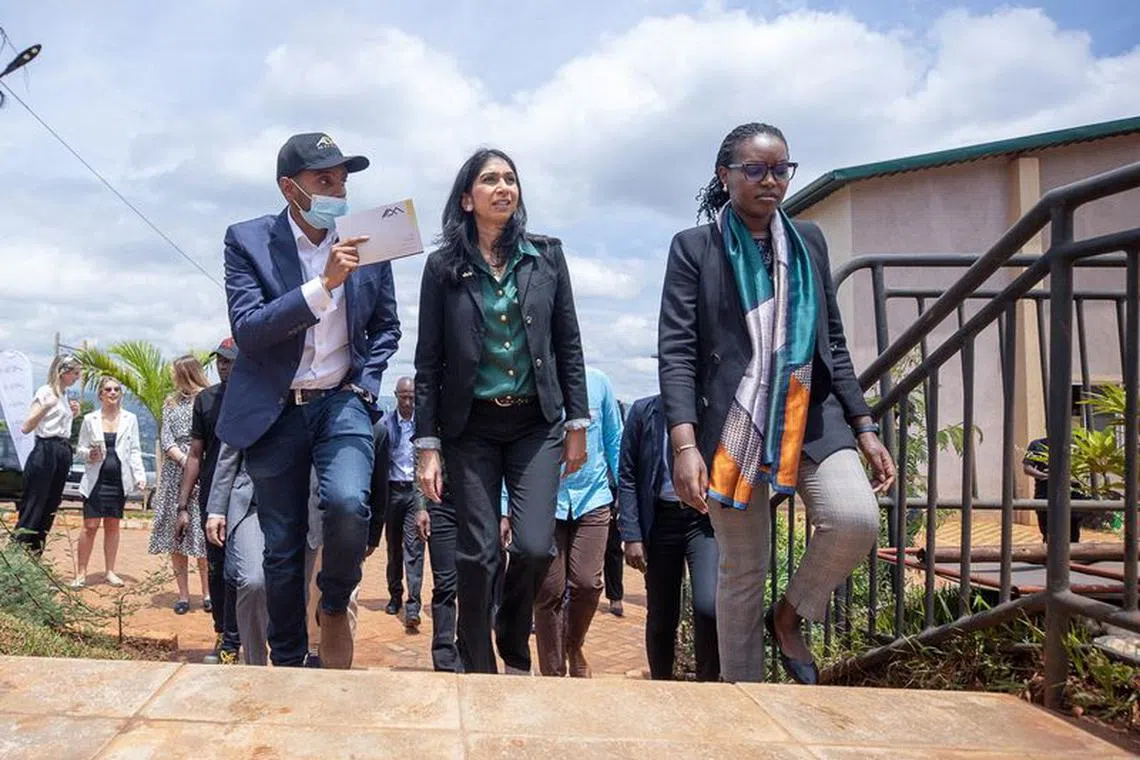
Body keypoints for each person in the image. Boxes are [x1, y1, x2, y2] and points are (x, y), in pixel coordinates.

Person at [658, 122, 895, 684]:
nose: (771, 181)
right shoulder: (695, 248)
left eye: (781, 170)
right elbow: (677, 351)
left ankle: (789, 615)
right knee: (743, 570)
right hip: (730, 428)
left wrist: (863, 425)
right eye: (756, 170)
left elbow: (831, 341)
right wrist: (685, 444)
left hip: (811, 416)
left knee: (854, 519)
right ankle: (745, 698)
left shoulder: (809, 239)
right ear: (726, 175)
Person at [215, 132, 401, 669]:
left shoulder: (368, 238)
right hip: (274, 410)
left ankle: (337, 598)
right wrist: (323, 284)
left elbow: (387, 326)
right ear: (289, 187)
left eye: (342, 179)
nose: (337, 189)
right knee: (282, 545)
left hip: (341, 401)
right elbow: (249, 330)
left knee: (348, 503)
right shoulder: (246, 240)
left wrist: (366, 385)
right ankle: (292, 657)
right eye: (324, 179)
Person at [414, 148, 589, 675]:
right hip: (471, 428)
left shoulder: (547, 256)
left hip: (537, 425)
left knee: (536, 548)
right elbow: (429, 361)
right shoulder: (443, 267)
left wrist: (577, 422)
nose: (503, 187)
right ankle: (479, 664)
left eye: (510, 179)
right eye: (489, 180)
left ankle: (512, 637)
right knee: (478, 554)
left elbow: (569, 345)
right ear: (467, 199)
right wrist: (428, 445)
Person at [618, 393, 719, 681]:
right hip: (660, 521)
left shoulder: (710, 409)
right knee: (662, 616)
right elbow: (627, 475)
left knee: (708, 607)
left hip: (703, 521)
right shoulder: (643, 412)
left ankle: (708, 687)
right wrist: (632, 535)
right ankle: (661, 684)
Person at [533, 365, 622, 677]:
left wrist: (624, 492)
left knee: (587, 582)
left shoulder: (599, 383)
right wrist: (506, 505)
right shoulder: (534, 383)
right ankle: (552, 672)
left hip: (593, 497)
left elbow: (614, 438)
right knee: (548, 590)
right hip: (544, 501)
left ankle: (573, 643)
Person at [177, 338, 240, 662]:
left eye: (230, 360)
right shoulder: (205, 400)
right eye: (220, 361)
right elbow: (195, 455)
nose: (224, 366)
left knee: (245, 570)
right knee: (217, 570)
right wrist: (183, 505)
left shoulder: (260, 397)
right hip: (213, 498)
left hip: (251, 498)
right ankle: (225, 638)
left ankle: (246, 635)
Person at [149, 355, 210, 615]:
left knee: (203, 537)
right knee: (178, 537)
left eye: (175, 372)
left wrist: (198, 466)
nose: (172, 377)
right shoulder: (170, 403)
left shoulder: (209, 398)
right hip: (176, 474)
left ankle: (208, 593)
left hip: (204, 469)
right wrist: (186, 461)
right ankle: (183, 594)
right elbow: (167, 439)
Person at [72, 376, 146, 588]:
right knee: (90, 526)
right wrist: (89, 454)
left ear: (120, 394)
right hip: (96, 479)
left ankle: (110, 571)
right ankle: (81, 573)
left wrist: (140, 476)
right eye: (108, 390)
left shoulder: (130, 419)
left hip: (118, 480)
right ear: (101, 395)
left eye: (116, 389)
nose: (112, 393)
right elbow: (80, 449)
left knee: (112, 526)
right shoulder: (89, 419)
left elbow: (134, 450)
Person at [14, 354, 82, 554]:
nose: (77, 377)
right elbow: (26, 427)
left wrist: (73, 414)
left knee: (50, 506)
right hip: (45, 449)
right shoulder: (46, 392)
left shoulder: (65, 395)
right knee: (35, 504)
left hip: (61, 451)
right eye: (75, 373)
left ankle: (35, 558)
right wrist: (46, 406)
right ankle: (17, 556)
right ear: (63, 372)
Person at [380, 377, 424, 631]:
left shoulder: (423, 426)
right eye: (403, 397)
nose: (408, 402)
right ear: (396, 396)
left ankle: (413, 605)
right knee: (393, 548)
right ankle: (395, 594)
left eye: (412, 397)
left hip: (415, 496)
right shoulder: (386, 425)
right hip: (392, 492)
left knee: (414, 549)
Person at [1023, 437, 1086, 543]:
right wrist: (1047, 476)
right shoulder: (1037, 445)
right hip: (1045, 494)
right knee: (1048, 534)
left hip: (1072, 494)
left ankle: (1071, 557)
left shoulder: (1075, 445)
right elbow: (1027, 468)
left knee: (1073, 534)